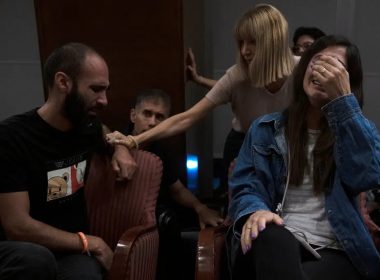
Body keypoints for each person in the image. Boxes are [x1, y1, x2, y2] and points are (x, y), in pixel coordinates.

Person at [227, 34, 380, 280]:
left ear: (348, 82)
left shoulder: (361, 132)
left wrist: (342, 103)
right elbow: (245, 187)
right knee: (272, 233)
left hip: (336, 248)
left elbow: (365, 176)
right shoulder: (265, 130)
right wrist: (256, 210)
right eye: (317, 61)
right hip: (275, 241)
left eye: (336, 67)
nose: (323, 71)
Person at [107, 4, 297, 186]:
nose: (245, 51)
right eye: (241, 43)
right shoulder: (237, 75)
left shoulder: (302, 71)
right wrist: (133, 140)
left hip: (287, 145)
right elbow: (188, 117)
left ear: (273, 41)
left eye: (253, 42)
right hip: (244, 144)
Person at [0, 42, 134, 280]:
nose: (104, 100)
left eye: (106, 90)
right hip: (20, 250)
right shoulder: (11, 137)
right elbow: (17, 226)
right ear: (63, 82)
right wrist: (90, 243)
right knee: (36, 260)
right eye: (95, 89)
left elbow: (102, 130)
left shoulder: (88, 127)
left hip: (70, 251)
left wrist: (120, 147)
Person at [125, 88, 223, 280]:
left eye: (160, 117)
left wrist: (200, 208)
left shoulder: (162, 152)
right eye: (147, 114)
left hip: (157, 214)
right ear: (133, 115)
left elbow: (177, 189)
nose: (152, 122)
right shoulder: (117, 142)